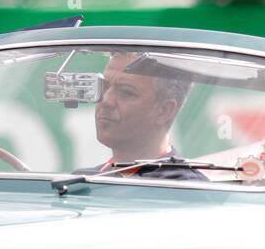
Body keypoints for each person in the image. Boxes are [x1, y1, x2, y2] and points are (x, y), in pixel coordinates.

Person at [83, 52, 205, 180]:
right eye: (104, 87)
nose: (105, 100)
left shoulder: (190, 192)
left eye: (126, 92)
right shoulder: (78, 184)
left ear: (164, 111)